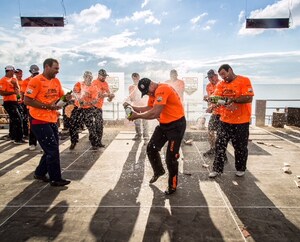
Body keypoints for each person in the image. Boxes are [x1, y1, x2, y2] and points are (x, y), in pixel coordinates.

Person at [124, 78, 186, 195]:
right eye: (145, 93)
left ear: (152, 84)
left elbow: (155, 113)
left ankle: (172, 186)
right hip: (164, 124)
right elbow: (149, 108)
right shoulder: (153, 92)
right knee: (151, 148)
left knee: (170, 158)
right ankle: (159, 171)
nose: (147, 94)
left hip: (176, 126)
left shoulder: (163, 89)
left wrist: (137, 116)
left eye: (147, 91)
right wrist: (132, 108)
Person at [24, 58, 71, 186]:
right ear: (47, 67)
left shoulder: (56, 81)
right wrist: (47, 106)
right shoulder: (36, 81)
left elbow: (61, 96)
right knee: (52, 150)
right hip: (39, 120)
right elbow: (27, 100)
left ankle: (39, 173)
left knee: (51, 149)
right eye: (55, 68)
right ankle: (55, 179)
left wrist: (66, 98)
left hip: (52, 119)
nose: (58, 71)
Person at [209, 64, 254, 178]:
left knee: (240, 147)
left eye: (224, 74)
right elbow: (216, 98)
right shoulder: (221, 84)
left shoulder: (244, 80)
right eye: (221, 75)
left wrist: (232, 100)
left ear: (230, 70)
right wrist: (212, 104)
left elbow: (249, 97)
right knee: (220, 145)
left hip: (241, 121)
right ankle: (217, 169)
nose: (223, 77)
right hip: (225, 120)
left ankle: (240, 168)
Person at [69, 71, 98, 150]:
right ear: (84, 78)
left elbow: (95, 100)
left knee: (91, 126)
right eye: (87, 77)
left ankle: (94, 143)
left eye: (90, 77)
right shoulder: (79, 84)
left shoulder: (94, 88)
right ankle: (73, 141)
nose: (89, 79)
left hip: (88, 108)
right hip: (78, 108)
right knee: (73, 125)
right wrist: (79, 100)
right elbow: (74, 93)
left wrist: (87, 102)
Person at [0, 65, 24, 144]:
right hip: (8, 102)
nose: (14, 73)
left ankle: (13, 137)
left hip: (16, 101)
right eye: (13, 72)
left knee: (15, 120)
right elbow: (1, 92)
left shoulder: (14, 79)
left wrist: (18, 97)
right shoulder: (3, 80)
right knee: (18, 119)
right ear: (9, 71)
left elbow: (17, 90)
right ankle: (18, 139)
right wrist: (13, 92)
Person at [91, 69, 115, 149]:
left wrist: (111, 96)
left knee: (100, 125)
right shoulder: (94, 82)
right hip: (92, 106)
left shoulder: (105, 83)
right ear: (99, 75)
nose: (104, 77)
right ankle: (94, 142)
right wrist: (108, 95)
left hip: (99, 107)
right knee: (93, 125)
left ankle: (98, 142)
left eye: (105, 76)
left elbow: (108, 94)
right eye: (103, 76)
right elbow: (99, 94)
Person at [203, 69, 222, 157]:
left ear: (216, 76)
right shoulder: (208, 86)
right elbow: (211, 99)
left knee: (221, 134)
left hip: (223, 113)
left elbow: (224, 100)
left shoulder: (222, 84)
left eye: (212, 77)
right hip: (215, 112)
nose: (210, 79)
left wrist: (211, 100)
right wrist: (208, 101)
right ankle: (212, 148)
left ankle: (221, 152)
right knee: (210, 131)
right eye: (209, 78)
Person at [21, 65, 39, 150]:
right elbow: (25, 94)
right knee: (33, 125)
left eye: (37, 73)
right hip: (31, 107)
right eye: (34, 73)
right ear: (31, 72)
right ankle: (32, 143)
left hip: (41, 106)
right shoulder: (26, 81)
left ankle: (43, 142)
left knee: (44, 125)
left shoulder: (42, 79)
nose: (36, 74)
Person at [127, 73, 149, 140]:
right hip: (136, 106)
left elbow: (147, 95)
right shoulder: (131, 87)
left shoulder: (143, 85)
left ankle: (146, 135)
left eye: (136, 78)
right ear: (132, 78)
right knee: (137, 122)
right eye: (134, 78)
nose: (135, 79)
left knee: (145, 121)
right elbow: (131, 98)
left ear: (139, 77)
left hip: (144, 106)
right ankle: (138, 135)